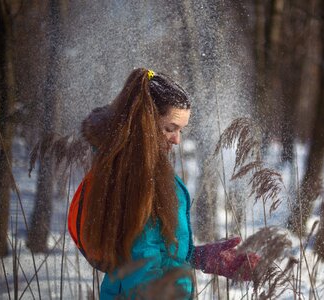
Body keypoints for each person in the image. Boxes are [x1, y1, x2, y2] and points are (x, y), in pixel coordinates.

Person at [69, 68, 259, 299]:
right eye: (170, 128)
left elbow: (150, 249)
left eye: (181, 130)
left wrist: (199, 257)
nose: (177, 140)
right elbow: (141, 268)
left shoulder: (141, 172)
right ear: (144, 122)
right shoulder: (137, 182)